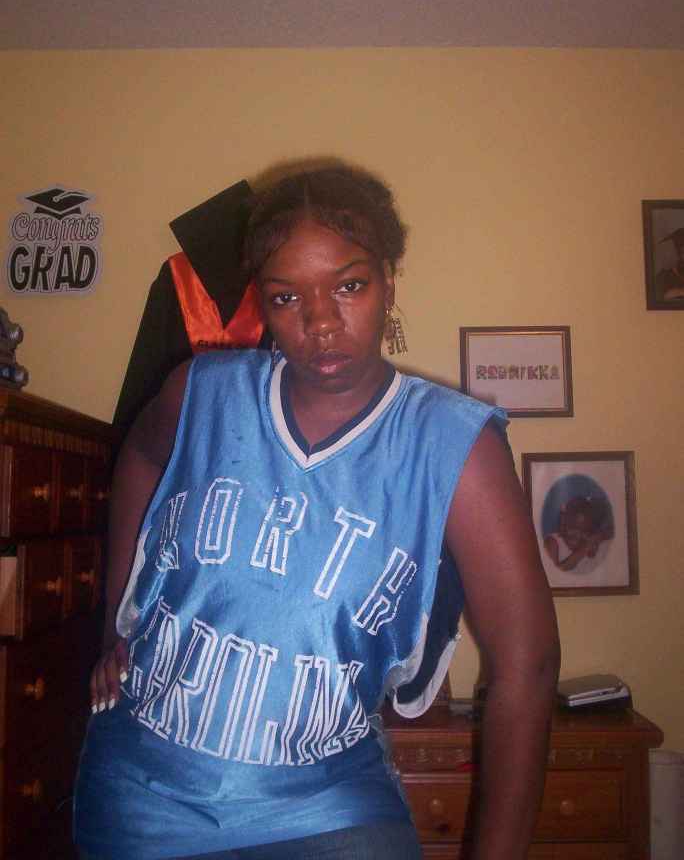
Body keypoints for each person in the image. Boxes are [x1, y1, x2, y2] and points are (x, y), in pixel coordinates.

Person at [74, 159, 560, 860]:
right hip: (142, 791)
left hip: (328, 804)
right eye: (286, 297)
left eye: (349, 286)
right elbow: (142, 458)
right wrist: (118, 620)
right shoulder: (201, 393)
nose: (321, 323)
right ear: (264, 304)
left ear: (388, 281)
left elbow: (528, 663)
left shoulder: (453, 445)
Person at [543, 496, 613, 573]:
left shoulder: (595, 539)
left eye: (584, 530)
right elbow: (557, 571)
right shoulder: (553, 541)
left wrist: (595, 539)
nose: (577, 533)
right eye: (573, 527)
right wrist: (586, 547)